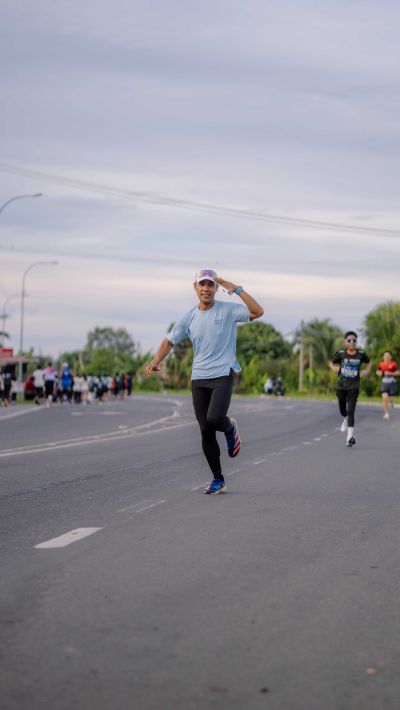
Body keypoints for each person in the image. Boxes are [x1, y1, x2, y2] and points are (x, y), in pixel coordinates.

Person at [145, 268, 264, 494]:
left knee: (215, 418)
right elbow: (169, 341)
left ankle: (229, 427)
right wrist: (155, 360)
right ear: (195, 287)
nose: (206, 289)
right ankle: (218, 479)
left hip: (222, 374)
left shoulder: (228, 310)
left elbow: (257, 311)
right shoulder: (189, 316)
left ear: (216, 288)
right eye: (202, 284)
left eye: (210, 285)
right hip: (199, 378)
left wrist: (235, 288)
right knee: (205, 430)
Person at [328, 331, 371, 447]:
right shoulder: (340, 353)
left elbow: (369, 362)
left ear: (356, 342)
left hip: (354, 386)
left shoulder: (361, 354)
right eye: (349, 340)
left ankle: (350, 437)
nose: (352, 342)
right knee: (343, 410)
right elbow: (331, 363)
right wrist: (334, 368)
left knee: (351, 410)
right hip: (341, 386)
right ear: (345, 342)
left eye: (354, 340)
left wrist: (366, 371)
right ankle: (345, 419)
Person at [376, 351, 400, 420]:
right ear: (383, 357)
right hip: (384, 383)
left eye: (388, 355)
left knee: (391, 398)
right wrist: (379, 373)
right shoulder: (381, 364)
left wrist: (390, 373)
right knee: (384, 397)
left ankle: (391, 402)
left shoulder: (394, 364)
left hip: (392, 383)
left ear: (390, 357)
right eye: (385, 355)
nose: (386, 357)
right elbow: (377, 371)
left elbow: (398, 372)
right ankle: (386, 413)